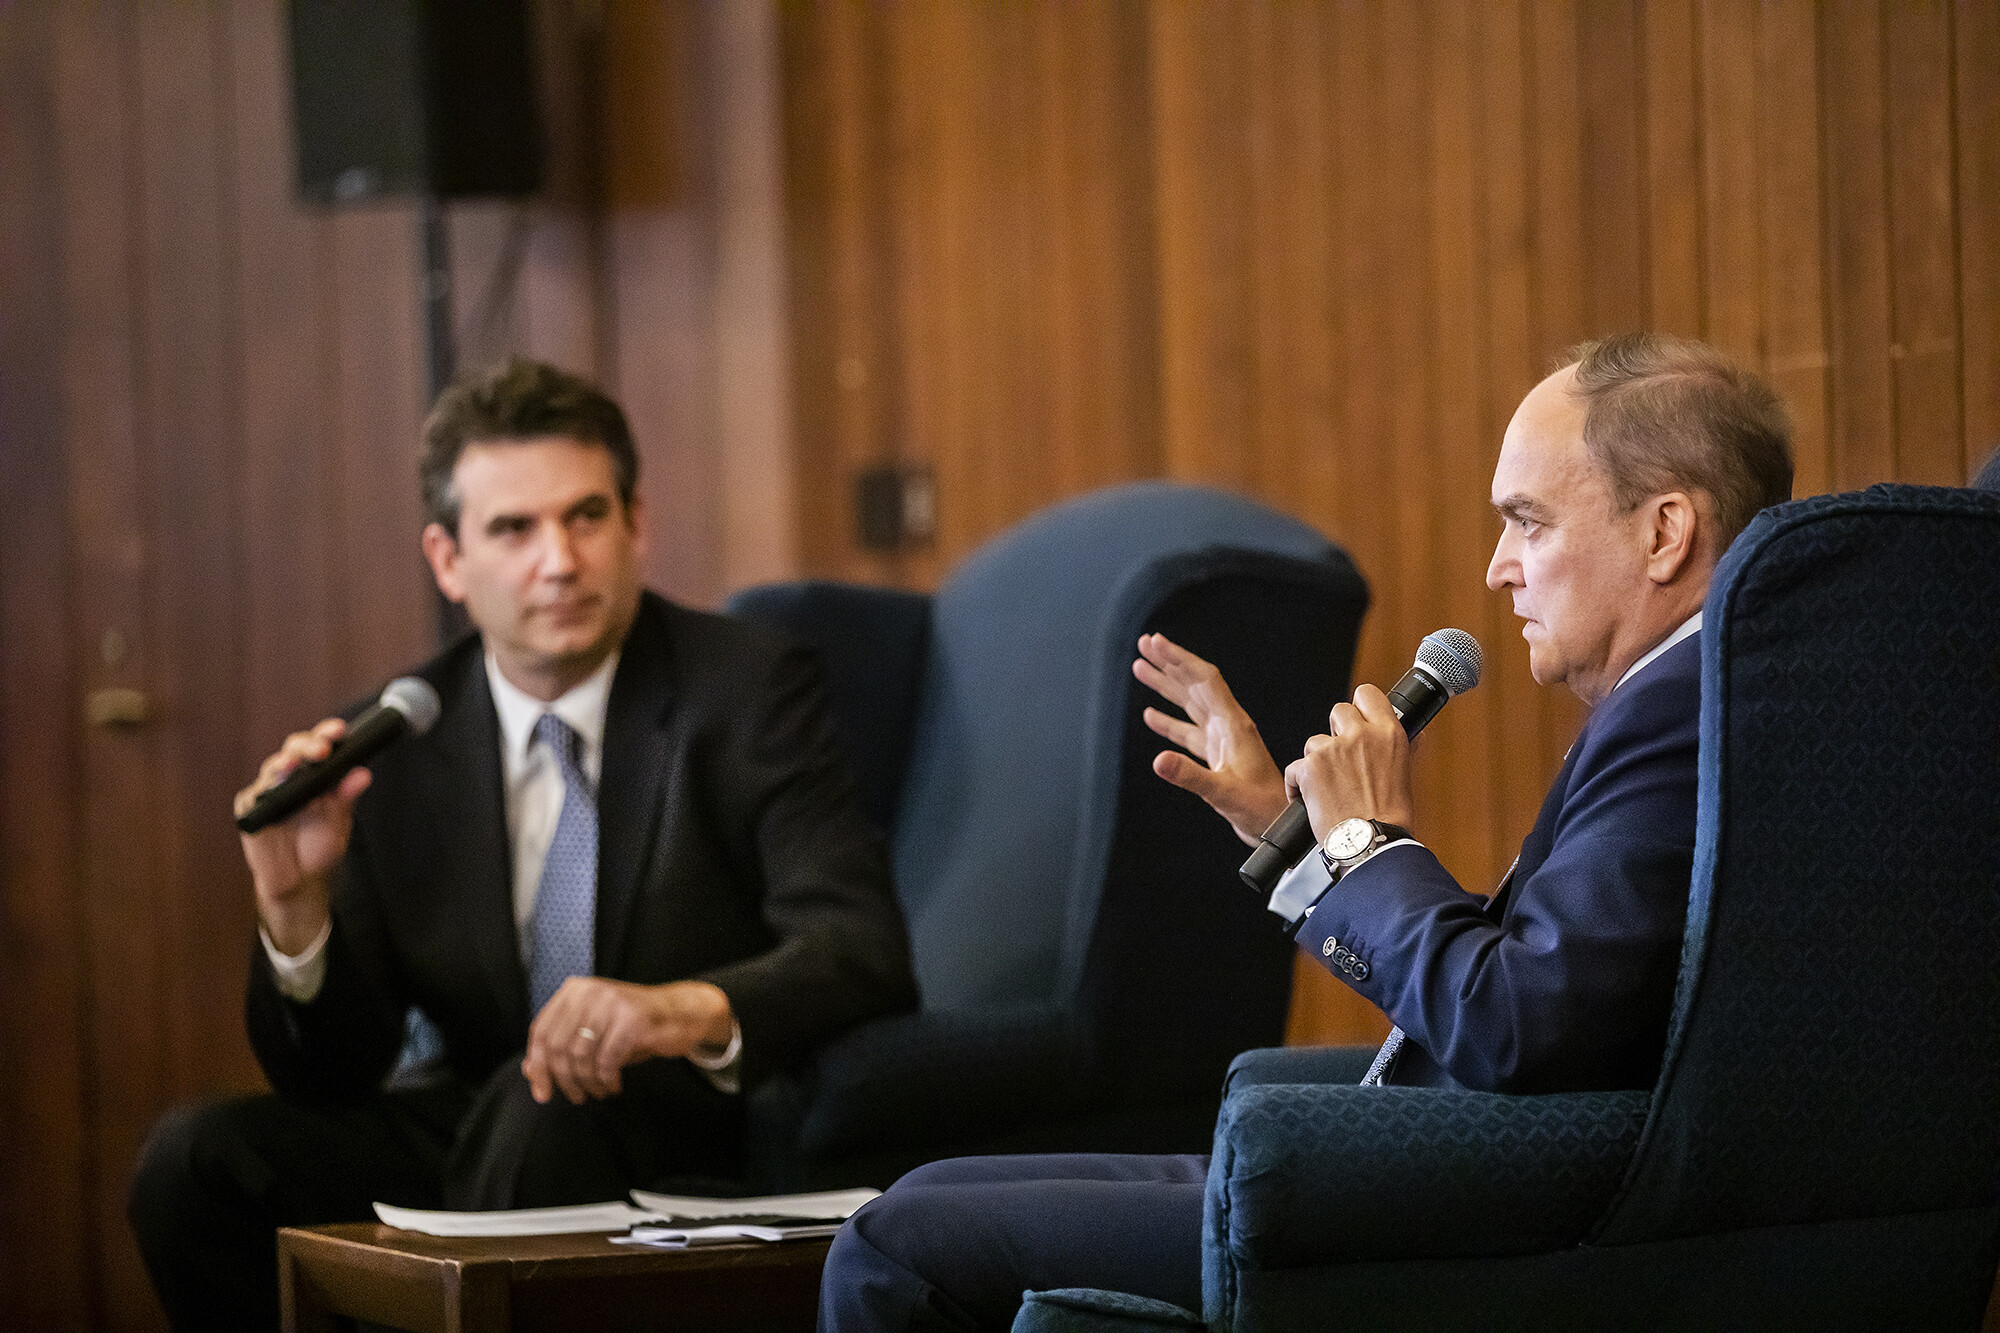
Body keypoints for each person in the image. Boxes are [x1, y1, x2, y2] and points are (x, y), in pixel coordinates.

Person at [817, 332, 1794, 1331]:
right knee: (921, 1190)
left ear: (1665, 530)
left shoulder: (1682, 715)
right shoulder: (1701, 693)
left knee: (896, 1249)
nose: (1497, 568)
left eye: (1526, 523)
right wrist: (1296, 832)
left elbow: (1517, 1024)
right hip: (1428, 1163)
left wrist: (1368, 839)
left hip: (1457, 1217)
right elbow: (1540, 995)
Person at [129, 359, 918, 1330]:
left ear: (636, 524)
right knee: (195, 1159)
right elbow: (330, 1075)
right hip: (472, 1120)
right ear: (448, 558)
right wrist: (296, 911)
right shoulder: (392, 743)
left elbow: (860, 946)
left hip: (662, 1116)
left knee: (549, 1103)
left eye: (585, 516)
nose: (558, 560)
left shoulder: (748, 689)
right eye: (512, 528)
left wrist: (679, 1008)